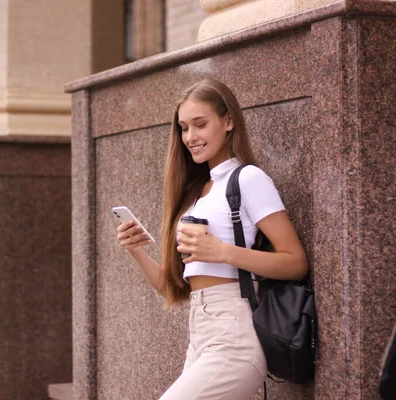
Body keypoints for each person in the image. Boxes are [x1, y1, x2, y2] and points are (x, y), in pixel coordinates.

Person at [116, 78, 309, 400]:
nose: (190, 137)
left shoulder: (247, 178)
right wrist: (136, 250)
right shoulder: (198, 192)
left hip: (235, 332)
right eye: (183, 128)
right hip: (201, 331)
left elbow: (296, 263)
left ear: (228, 121)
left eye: (200, 125)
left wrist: (222, 252)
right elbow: (171, 287)